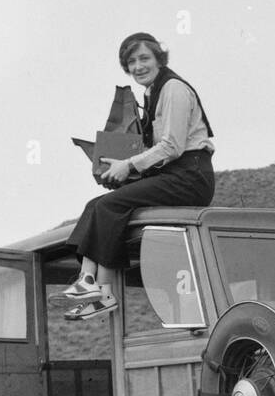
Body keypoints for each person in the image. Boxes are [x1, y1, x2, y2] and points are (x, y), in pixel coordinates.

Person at [62, 32, 216, 320]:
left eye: (144, 58)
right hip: (172, 173)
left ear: (159, 58)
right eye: (131, 61)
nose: (138, 66)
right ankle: (88, 282)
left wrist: (129, 166)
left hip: (190, 176)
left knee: (110, 206)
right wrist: (118, 165)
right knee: (96, 205)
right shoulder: (152, 92)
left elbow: (172, 145)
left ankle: (102, 295)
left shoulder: (173, 89)